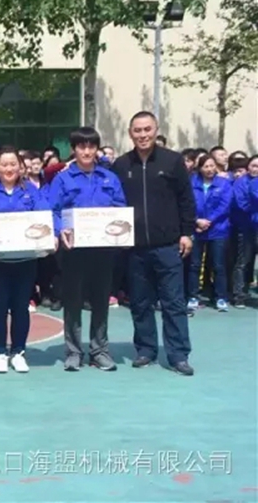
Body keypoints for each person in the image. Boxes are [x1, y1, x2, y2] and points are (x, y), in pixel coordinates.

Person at [111, 111, 196, 376]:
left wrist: (187, 233)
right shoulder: (121, 165)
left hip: (168, 246)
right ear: (130, 133)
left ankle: (178, 355)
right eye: (137, 130)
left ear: (156, 130)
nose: (143, 135)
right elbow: (113, 203)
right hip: (134, 248)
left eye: (147, 129)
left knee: (174, 303)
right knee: (139, 302)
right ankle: (146, 349)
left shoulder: (172, 161)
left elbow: (186, 199)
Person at [49, 127, 126, 372]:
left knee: (101, 301)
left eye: (91, 146)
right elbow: (53, 210)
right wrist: (60, 230)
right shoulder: (63, 179)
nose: (87, 151)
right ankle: (73, 352)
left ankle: (99, 351)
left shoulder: (109, 178)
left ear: (97, 149)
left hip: (103, 250)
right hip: (73, 250)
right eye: (81, 146)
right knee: (72, 302)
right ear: (74, 150)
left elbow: (120, 207)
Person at [0, 146, 54, 374]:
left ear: (20, 167)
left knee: (21, 308)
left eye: (13, 164)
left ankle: (18, 352)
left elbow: (44, 215)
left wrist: (52, 234)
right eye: (4, 165)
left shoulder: (31, 191)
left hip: (25, 260)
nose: (9, 169)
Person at [187, 154, 232, 312]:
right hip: (196, 229)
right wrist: (197, 220)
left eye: (212, 166)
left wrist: (209, 221)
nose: (209, 169)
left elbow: (225, 205)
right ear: (199, 168)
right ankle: (193, 296)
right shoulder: (192, 183)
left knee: (218, 265)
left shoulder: (224, 184)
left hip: (218, 229)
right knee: (194, 265)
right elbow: (187, 203)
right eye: (206, 166)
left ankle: (221, 298)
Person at [231, 155, 258, 308]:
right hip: (246, 228)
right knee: (243, 262)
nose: (256, 169)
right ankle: (239, 295)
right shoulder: (241, 182)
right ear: (248, 167)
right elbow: (242, 204)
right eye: (254, 165)